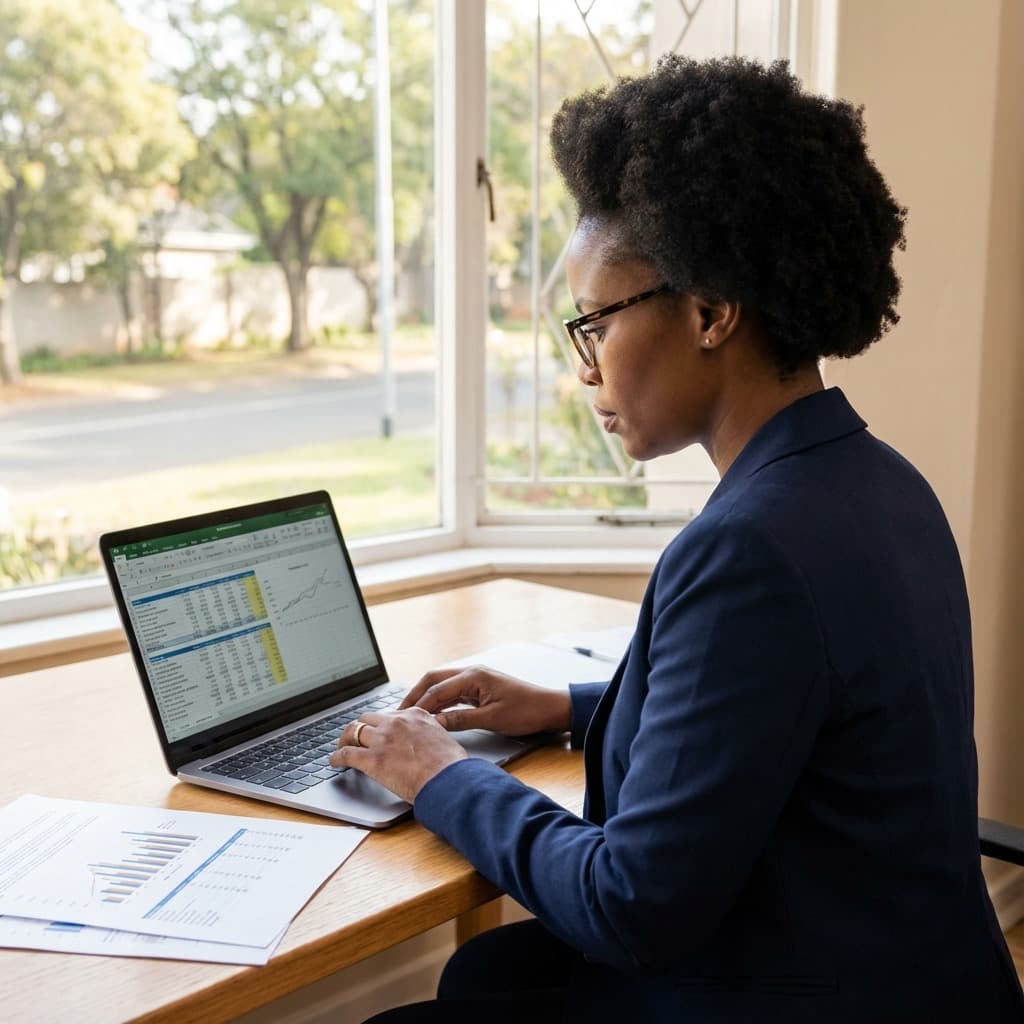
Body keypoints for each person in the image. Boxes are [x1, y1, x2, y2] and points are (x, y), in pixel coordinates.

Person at [330, 56, 1024, 1022]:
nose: (585, 370)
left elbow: (630, 905)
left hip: (803, 997)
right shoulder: (881, 482)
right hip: (911, 973)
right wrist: (571, 707)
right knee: (484, 977)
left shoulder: (749, 549)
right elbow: (789, 715)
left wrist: (438, 773)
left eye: (594, 325)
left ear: (708, 312)